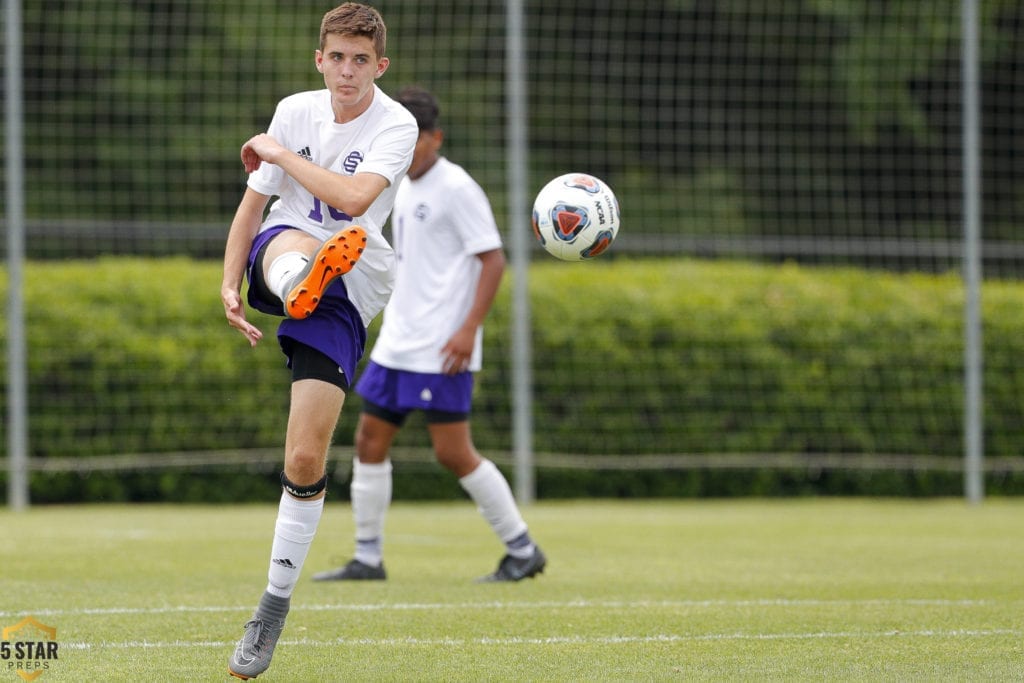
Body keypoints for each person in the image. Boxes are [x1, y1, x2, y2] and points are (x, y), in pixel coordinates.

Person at [219, 4, 417, 679]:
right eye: (337, 57)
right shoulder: (295, 110)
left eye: (362, 60)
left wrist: (275, 153)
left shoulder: (396, 122)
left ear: (380, 65)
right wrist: (226, 284)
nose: (348, 72)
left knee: (304, 455)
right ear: (320, 58)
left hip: (352, 283)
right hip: (286, 252)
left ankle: (272, 606)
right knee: (288, 236)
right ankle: (298, 274)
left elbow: (358, 199)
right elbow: (254, 206)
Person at [312, 86, 547, 585]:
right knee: (369, 441)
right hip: (398, 341)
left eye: (413, 137)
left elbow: (493, 259)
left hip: (442, 346)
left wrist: (467, 331)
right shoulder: (397, 184)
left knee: (452, 452)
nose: (404, 145)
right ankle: (368, 558)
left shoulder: (457, 188)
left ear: (434, 139)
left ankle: (522, 548)